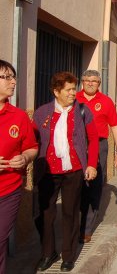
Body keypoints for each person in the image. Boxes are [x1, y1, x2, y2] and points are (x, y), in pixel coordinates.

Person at [33, 72, 99, 272]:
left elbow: (94, 138)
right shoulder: (41, 112)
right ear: (56, 91)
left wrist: (92, 164)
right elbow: (32, 139)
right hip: (48, 170)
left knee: (70, 213)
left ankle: (68, 255)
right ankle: (48, 252)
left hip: (74, 170)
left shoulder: (82, 111)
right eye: (69, 89)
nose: (73, 93)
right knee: (44, 214)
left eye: (74, 88)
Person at [76, 70, 117, 244]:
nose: (90, 83)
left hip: (100, 146)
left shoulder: (106, 101)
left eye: (94, 81)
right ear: (82, 81)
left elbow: (115, 126)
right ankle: (76, 223)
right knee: (76, 184)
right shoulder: (74, 98)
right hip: (77, 145)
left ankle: (86, 229)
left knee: (95, 186)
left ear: (99, 84)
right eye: (87, 80)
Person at [0, 60, 38, 274]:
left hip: (8, 190)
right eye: (7, 77)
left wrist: (24, 158)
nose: (13, 81)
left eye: (13, 77)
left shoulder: (19, 116)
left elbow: (32, 147)